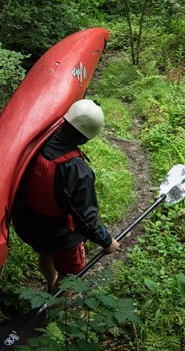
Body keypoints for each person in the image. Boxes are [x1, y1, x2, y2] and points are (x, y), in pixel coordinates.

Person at [11, 98, 121, 292]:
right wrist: (106, 241)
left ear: (66, 120)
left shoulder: (39, 140)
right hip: (58, 236)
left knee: (46, 254)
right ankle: (54, 300)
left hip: (28, 224)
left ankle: (50, 287)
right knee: (70, 276)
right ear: (86, 139)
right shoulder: (78, 171)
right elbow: (85, 220)